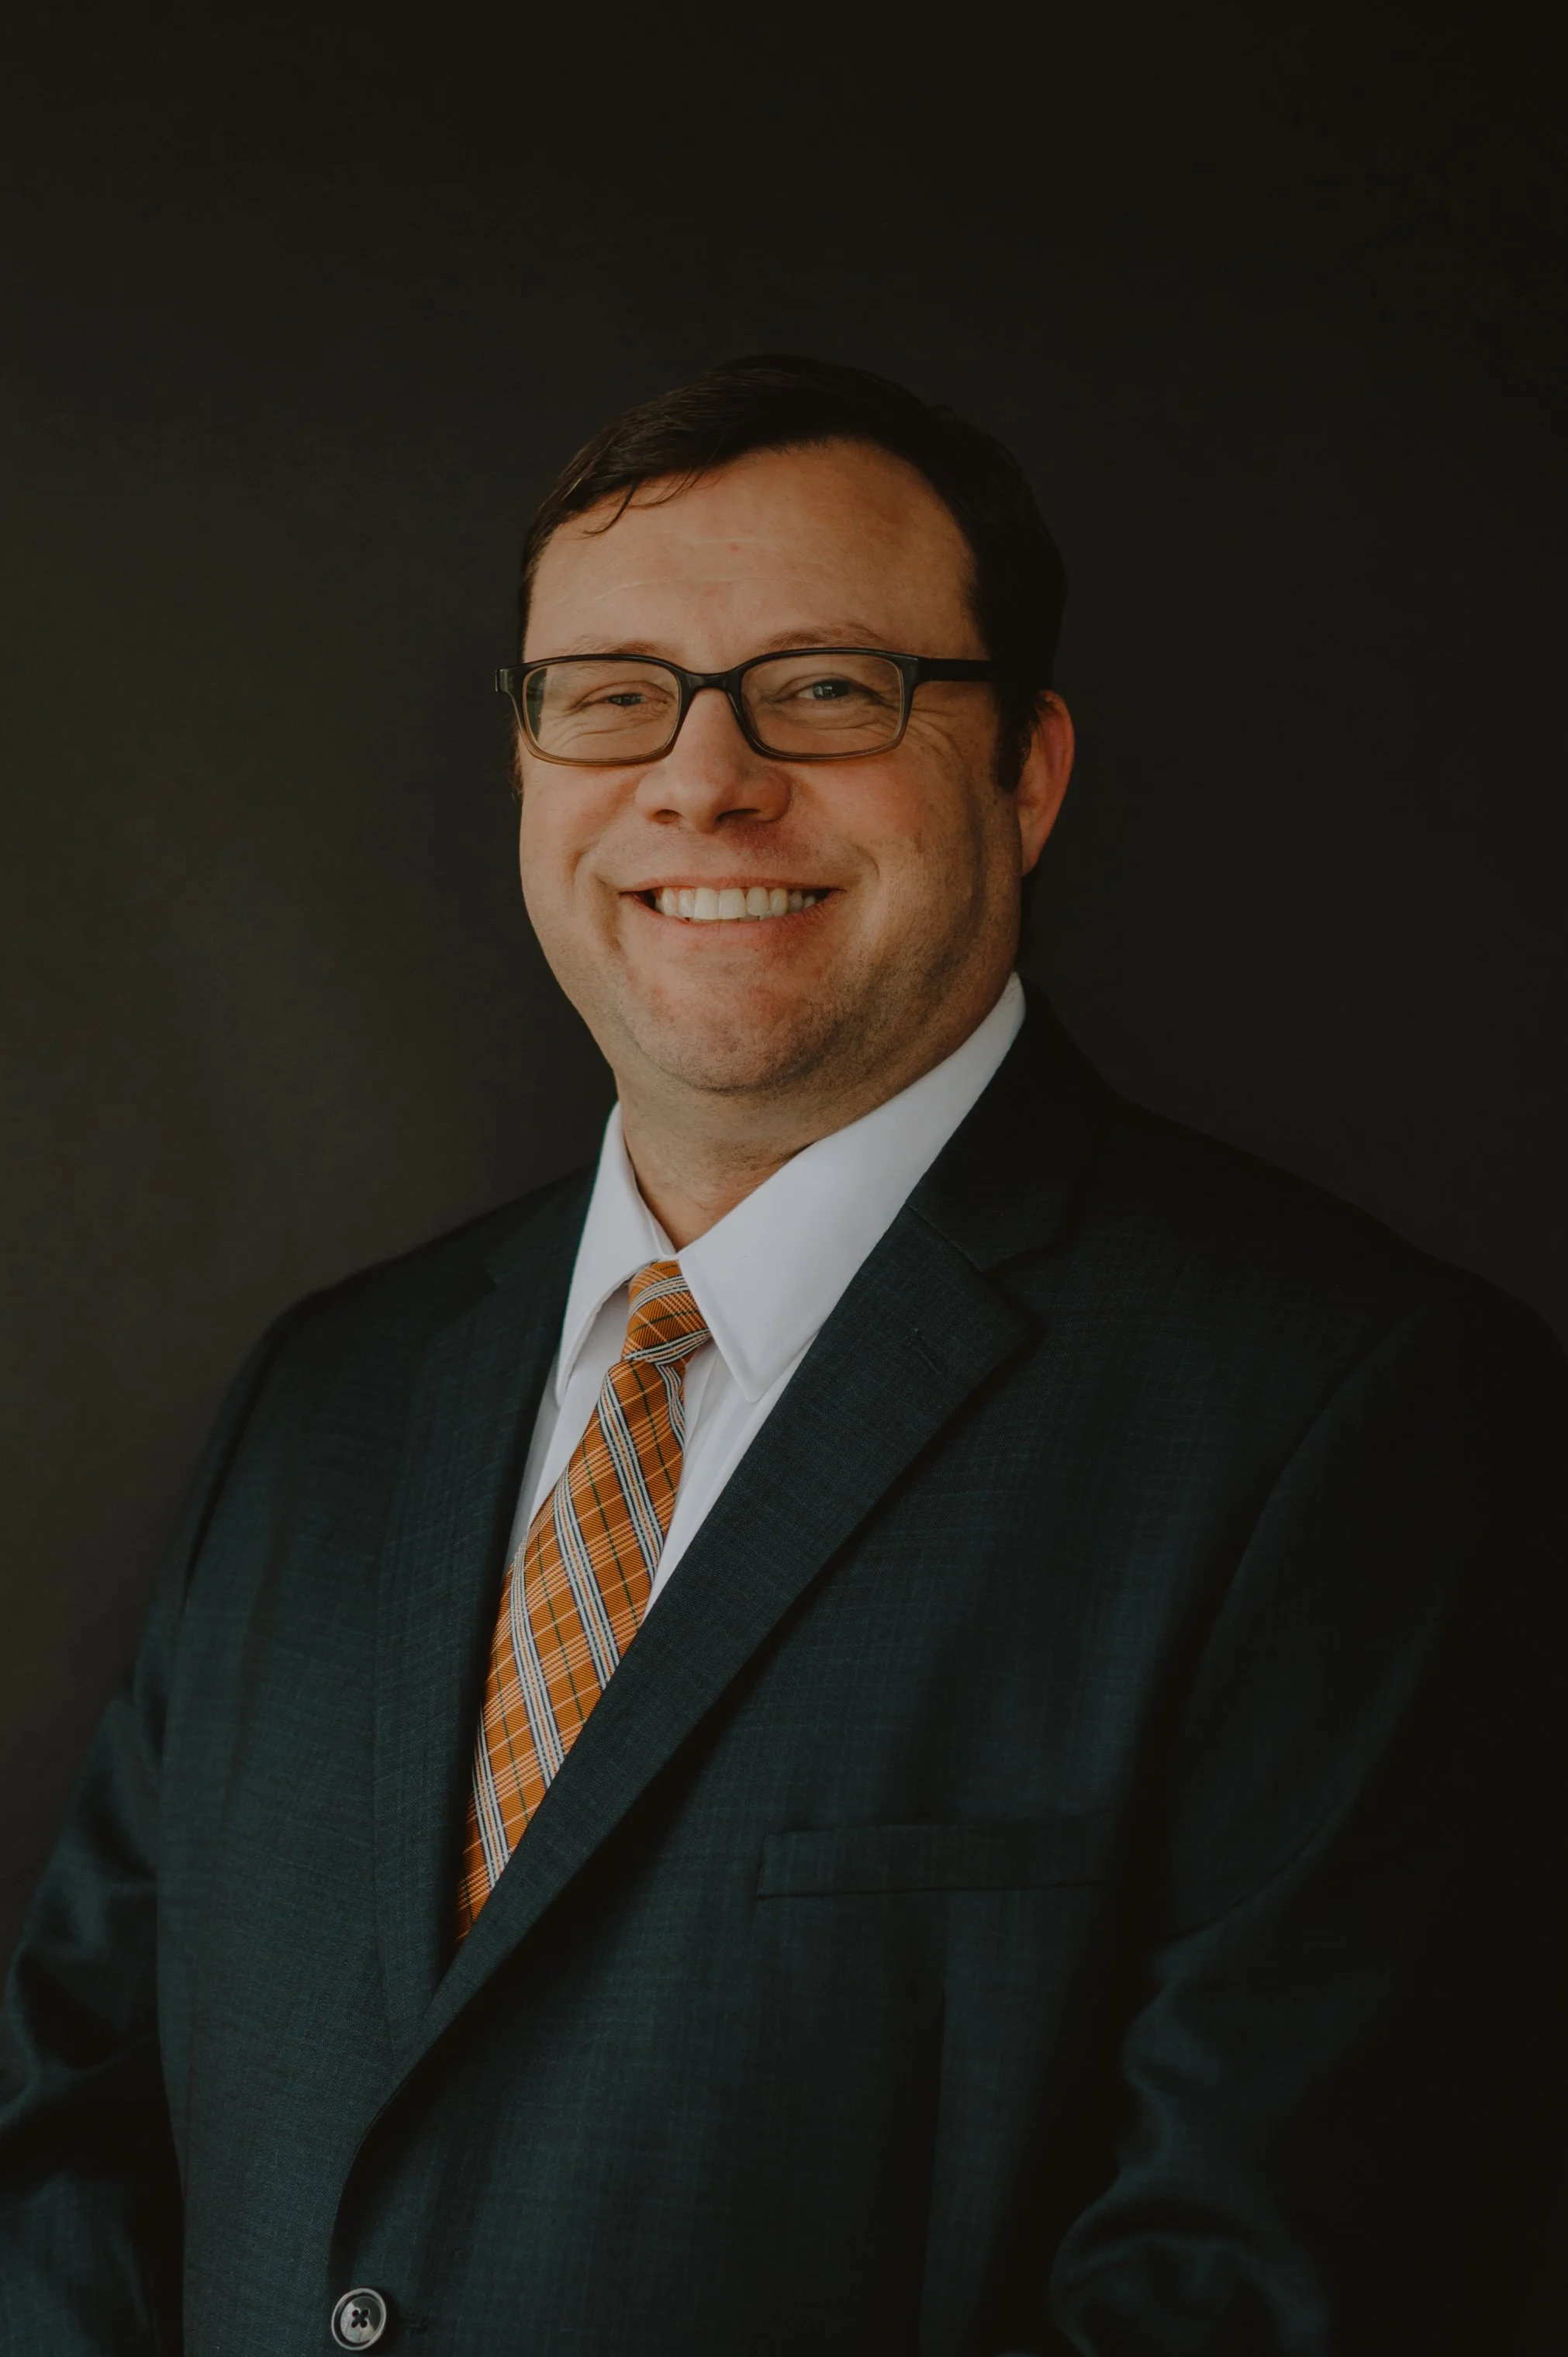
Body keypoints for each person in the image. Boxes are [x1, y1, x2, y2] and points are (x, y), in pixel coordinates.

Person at [0, 354, 1562, 2357]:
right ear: (532, 766)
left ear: (1030, 774)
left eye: (826, 688)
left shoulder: (1359, 1421)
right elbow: (64, 2117)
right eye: (611, 694)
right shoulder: (330, 1397)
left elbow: (1272, 2295)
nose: (701, 780)